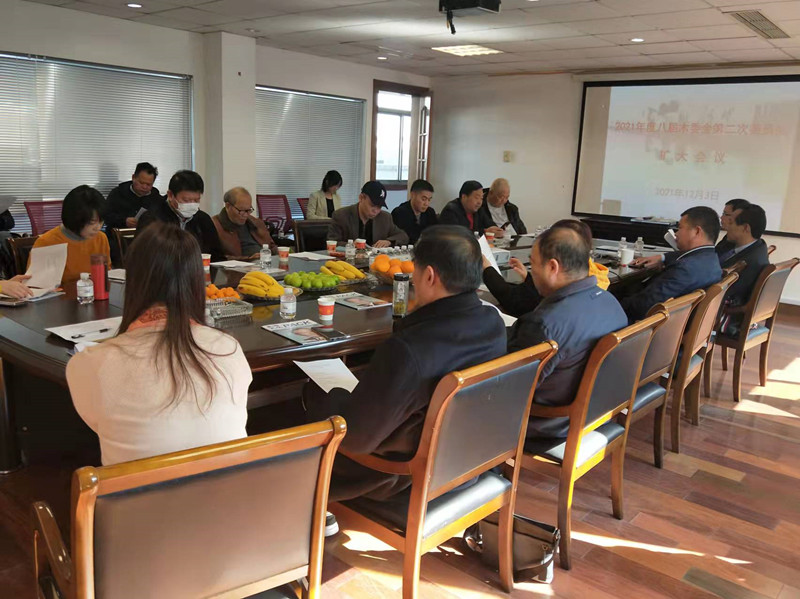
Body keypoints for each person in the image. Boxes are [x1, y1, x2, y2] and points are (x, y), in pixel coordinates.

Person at [304, 225, 506, 501]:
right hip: (465, 462)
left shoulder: (410, 348)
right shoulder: (493, 323)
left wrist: (325, 397)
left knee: (293, 408)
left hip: (400, 477)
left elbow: (357, 439)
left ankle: (303, 511)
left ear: (429, 276)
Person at [66, 223, 251, 465]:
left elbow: (101, 424)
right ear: (197, 282)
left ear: (133, 281)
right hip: (233, 487)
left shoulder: (90, 363)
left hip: (136, 490)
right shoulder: (228, 348)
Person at [506, 226, 627, 439]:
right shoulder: (611, 303)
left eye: (532, 264)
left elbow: (509, 388)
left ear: (553, 267)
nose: (531, 272)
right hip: (597, 412)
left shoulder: (545, 324)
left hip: (545, 422)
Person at [482, 219, 610, 317]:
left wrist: (488, 269)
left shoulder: (544, 321)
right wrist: (529, 277)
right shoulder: (607, 299)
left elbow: (516, 301)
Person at [624, 206, 722, 323]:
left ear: (697, 231)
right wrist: (663, 258)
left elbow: (643, 306)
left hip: (642, 326)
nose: (676, 234)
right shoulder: (712, 260)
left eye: (680, 228)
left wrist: (614, 301)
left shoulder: (684, 269)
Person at [137, 170, 225, 262]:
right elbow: (142, 256)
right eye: (186, 200)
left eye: (196, 200)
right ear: (170, 195)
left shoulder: (203, 219)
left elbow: (217, 255)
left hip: (198, 269)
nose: (191, 204)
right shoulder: (152, 218)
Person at [31, 185, 111, 286]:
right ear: (75, 218)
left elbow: (106, 274)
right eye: (92, 222)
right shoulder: (47, 242)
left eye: (101, 221)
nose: (98, 227)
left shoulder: (101, 238)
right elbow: (37, 286)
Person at [328, 180, 408, 248]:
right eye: (372, 205)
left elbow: (403, 236)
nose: (376, 211)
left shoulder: (385, 218)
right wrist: (351, 245)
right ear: (361, 198)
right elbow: (331, 242)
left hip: (377, 260)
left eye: (379, 207)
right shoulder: (341, 216)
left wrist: (389, 241)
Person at [212, 187, 276, 259]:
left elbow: (272, 246)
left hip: (266, 262)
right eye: (241, 211)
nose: (246, 215)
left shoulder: (255, 222)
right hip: (242, 264)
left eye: (249, 210)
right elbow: (216, 257)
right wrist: (248, 259)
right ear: (228, 206)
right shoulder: (214, 226)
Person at [105, 162, 162, 229]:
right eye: (141, 183)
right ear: (133, 178)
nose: (144, 187)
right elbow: (105, 216)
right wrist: (124, 221)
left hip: (147, 233)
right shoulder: (117, 193)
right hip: (120, 232)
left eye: (148, 184)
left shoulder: (155, 197)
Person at [439, 180, 503, 237]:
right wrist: (484, 232)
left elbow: (490, 224)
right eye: (476, 198)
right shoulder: (450, 211)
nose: (479, 202)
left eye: (481, 198)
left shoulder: (479, 210)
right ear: (464, 197)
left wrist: (496, 230)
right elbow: (458, 235)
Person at [391, 179, 437, 244]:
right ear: (413, 195)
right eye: (423, 199)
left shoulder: (430, 212)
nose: (426, 203)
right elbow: (402, 237)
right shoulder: (399, 213)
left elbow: (435, 234)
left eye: (429, 200)